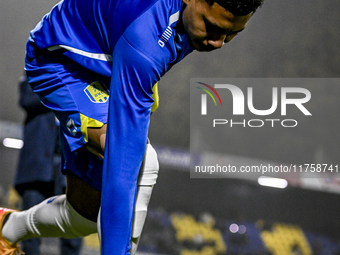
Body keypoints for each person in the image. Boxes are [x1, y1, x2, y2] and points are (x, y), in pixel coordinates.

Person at [0, 0, 264, 254]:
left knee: (84, 216)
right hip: (60, 62)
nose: (217, 42)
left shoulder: (181, 23)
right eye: (212, 26)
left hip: (110, 61)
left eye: (232, 34)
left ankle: (6, 227)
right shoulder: (145, 42)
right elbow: (121, 172)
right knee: (141, 164)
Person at [14, 74, 83, 255]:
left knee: (73, 233)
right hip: (37, 167)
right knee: (29, 231)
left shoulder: (82, 73)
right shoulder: (35, 69)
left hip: (70, 168)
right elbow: (27, 99)